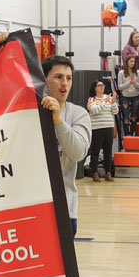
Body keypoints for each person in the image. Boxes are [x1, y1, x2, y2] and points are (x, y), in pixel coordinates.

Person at [40, 56, 92, 236]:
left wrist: (58, 121)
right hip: (31, 208)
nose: (65, 83)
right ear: (43, 78)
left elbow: (78, 153)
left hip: (64, 210)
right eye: (58, 77)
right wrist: (3, 46)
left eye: (69, 78)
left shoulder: (79, 114)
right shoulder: (27, 112)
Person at [87, 80, 118, 182]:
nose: (102, 87)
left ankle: (108, 173)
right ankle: (95, 173)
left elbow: (115, 111)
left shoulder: (108, 98)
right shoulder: (91, 99)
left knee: (108, 151)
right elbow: (95, 110)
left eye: (103, 85)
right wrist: (105, 102)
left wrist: (112, 102)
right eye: (99, 85)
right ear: (95, 88)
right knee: (95, 151)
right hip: (97, 128)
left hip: (109, 127)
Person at [117, 55, 139, 136]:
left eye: (134, 62)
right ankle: (126, 134)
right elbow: (119, 87)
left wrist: (135, 83)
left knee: (134, 116)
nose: (132, 63)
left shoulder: (138, 72)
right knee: (125, 117)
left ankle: (133, 133)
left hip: (135, 95)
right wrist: (129, 82)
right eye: (131, 61)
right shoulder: (121, 73)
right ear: (127, 62)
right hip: (125, 96)